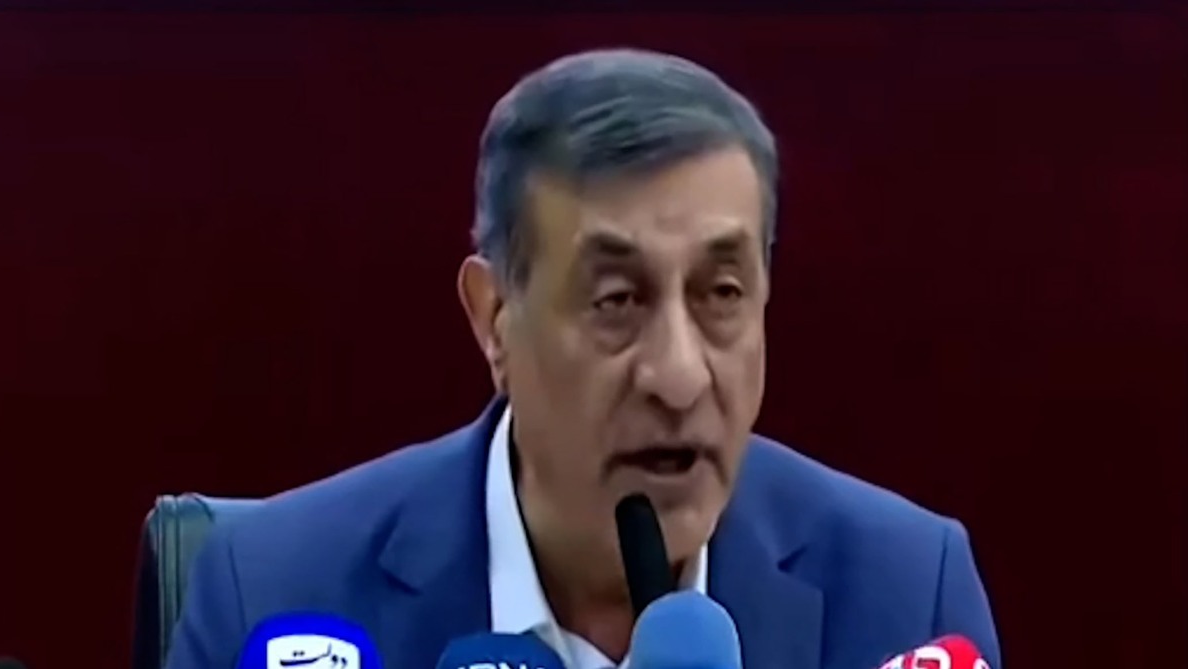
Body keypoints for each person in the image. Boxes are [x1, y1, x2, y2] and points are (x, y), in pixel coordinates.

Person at [165, 48, 1001, 669]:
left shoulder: (904, 600)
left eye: (721, 294)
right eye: (617, 300)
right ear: (495, 318)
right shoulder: (272, 595)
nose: (679, 375)